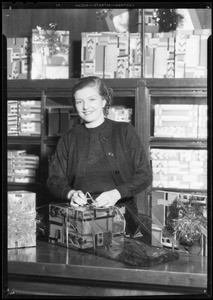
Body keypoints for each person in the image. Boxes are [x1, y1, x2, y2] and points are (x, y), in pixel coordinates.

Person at [47, 76, 152, 236]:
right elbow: (54, 180)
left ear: (104, 101)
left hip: (120, 219)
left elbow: (144, 175)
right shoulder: (69, 137)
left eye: (92, 99)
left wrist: (117, 193)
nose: (85, 106)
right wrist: (71, 194)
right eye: (79, 101)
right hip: (80, 221)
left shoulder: (124, 131)